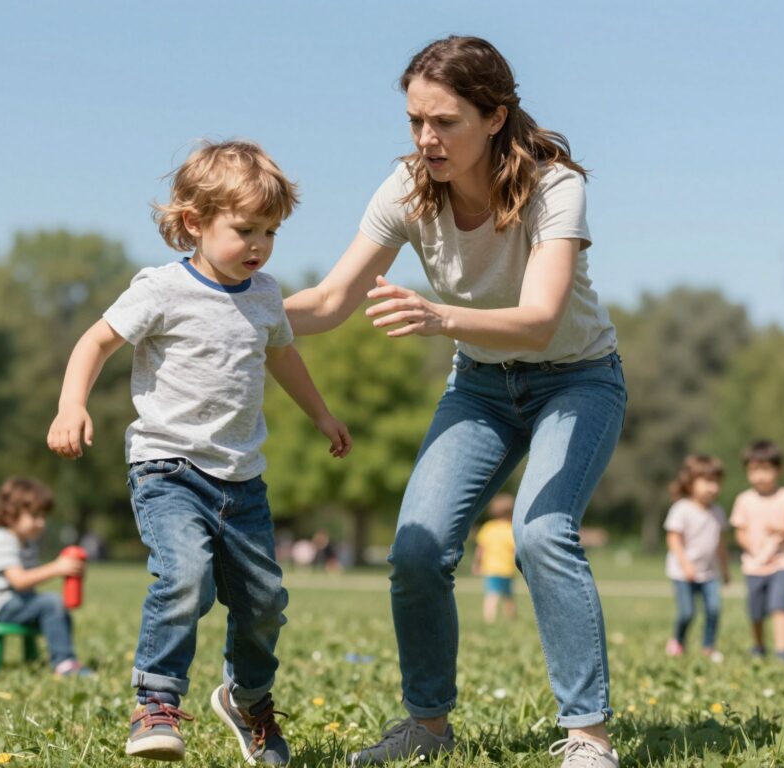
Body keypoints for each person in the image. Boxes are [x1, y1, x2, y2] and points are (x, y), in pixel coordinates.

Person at [285, 36, 626, 768]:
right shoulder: (407, 189)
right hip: (480, 385)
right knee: (414, 549)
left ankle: (588, 737)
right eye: (414, 121)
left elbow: (539, 318)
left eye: (445, 122)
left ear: (495, 115)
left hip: (577, 378)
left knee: (541, 534)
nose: (426, 139)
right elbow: (331, 299)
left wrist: (439, 318)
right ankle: (428, 727)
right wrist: (232, 314)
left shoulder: (553, 185)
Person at [47, 139, 351, 765]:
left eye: (271, 230)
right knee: (184, 577)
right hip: (168, 468)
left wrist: (321, 413)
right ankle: (155, 704)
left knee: (264, 601)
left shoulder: (265, 295)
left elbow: (283, 356)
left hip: (243, 479)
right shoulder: (160, 289)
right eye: (245, 229)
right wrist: (71, 404)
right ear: (194, 222)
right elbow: (95, 341)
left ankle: (249, 699)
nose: (260, 244)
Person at [0, 477, 91, 676]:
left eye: (43, 516)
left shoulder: (26, 543)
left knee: (56, 608)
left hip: (13, 601)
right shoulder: (4, 540)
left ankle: (63, 659)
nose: (41, 522)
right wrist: (57, 568)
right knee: (51, 603)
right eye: (34, 515)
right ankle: (64, 663)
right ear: (10, 514)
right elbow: (19, 581)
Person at [729, 440, 784, 662]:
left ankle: (782, 651)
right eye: (754, 470)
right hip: (754, 565)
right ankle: (759, 646)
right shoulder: (744, 500)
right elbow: (739, 531)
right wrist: (751, 547)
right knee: (755, 611)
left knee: (779, 605)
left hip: (782, 563)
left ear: (778, 470)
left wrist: (782, 528)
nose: (760, 476)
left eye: (765, 470)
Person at [663, 455, 729, 662]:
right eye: (706, 481)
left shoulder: (718, 512)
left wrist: (725, 570)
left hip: (709, 573)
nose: (712, 487)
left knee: (714, 609)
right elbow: (673, 539)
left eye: (716, 482)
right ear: (690, 483)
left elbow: (720, 544)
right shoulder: (682, 508)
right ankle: (678, 641)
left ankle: (708, 647)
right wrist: (685, 565)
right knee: (687, 612)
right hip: (683, 573)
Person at [472, 493, 517, 624]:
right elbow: (515, 550)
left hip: (490, 568)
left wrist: (477, 564)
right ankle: (512, 619)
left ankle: (489, 619)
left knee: (492, 594)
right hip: (506, 569)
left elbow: (480, 549)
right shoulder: (511, 529)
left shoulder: (488, 528)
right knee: (508, 596)